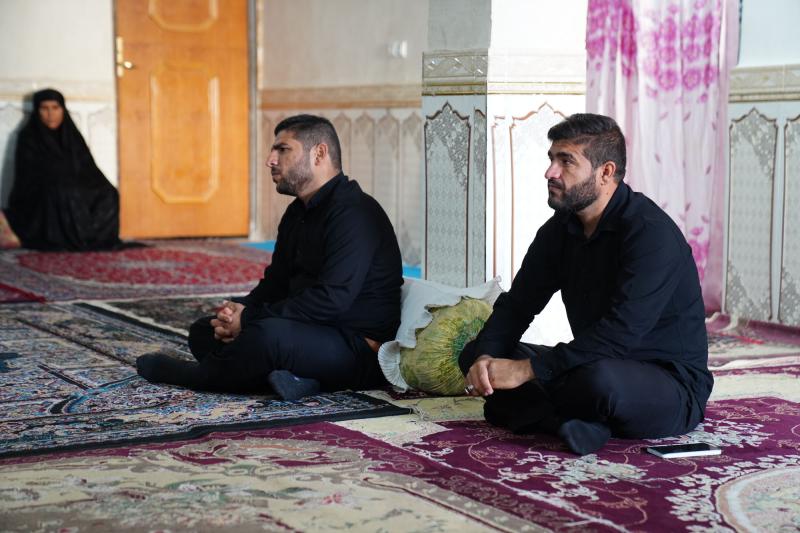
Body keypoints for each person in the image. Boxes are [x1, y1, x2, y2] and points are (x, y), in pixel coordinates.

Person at [461, 113, 712, 456]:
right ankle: (570, 422)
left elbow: (621, 334)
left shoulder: (651, 234)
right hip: (589, 361)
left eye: (566, 161)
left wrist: (527, 370)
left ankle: (539, 413)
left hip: (666, 383)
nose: (550, 172)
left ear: (605, 172)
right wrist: (486, 359)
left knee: (597, 382)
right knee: (475, 354)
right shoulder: (560, 230)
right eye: (552, 159)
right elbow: (517, 306)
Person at [137, 114, 403, 400]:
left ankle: (196, 376)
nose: (270, 160)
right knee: (205, 330)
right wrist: (237, 311)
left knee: (266, 336)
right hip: (310, 331)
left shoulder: (354, 213)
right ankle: (298, 379)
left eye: (283, 149)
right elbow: (276, 283)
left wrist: (250, 319)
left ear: (319, 154)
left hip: (356, 347)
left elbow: (332, 299)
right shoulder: (297, 212)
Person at [1, 88, 123, 251]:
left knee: (109, 193)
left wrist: (91, 184)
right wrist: (62, 180)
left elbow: (88, 168)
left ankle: (93, 238)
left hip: (71, 186)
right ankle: (66, 240)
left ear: (63, 110)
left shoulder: (71, 135)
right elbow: (28, 178)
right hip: (39, 193)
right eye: (44, 108)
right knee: (62, 191)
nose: (50, 114)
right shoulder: (28, 137)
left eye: (55, 108)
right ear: (37, 111)